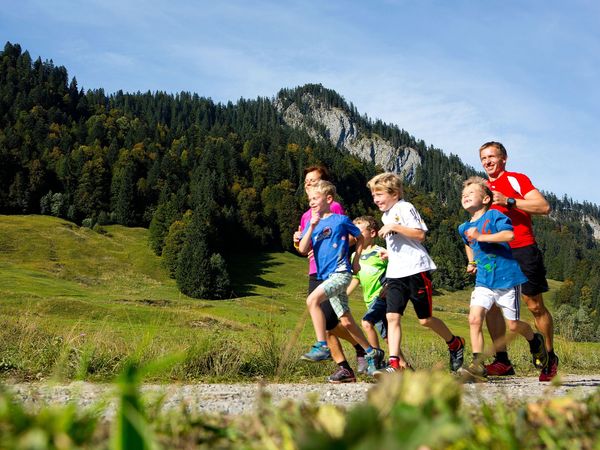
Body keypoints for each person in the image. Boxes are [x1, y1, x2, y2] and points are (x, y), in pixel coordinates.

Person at [367, 173, 465, 377]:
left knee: (425, 320)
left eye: (379, 194)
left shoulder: (405, 207)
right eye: (373, 195)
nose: (375, 199)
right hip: (395, 273)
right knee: (392, 316)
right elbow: (400, 242)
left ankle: (455, 343)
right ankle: (394, 364)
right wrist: (389, 252)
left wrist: (394, 226)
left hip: (416, 269)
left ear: (393, 193)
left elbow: (420, 235)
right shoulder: (386, 215)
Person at [457, 176, 549, 381]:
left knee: (514, 326)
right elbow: (468, 242)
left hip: (507, 279)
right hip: (484, 281)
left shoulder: (495, 217)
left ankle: (535, 341)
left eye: (471, 193)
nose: (465, 196)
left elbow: (509, 235)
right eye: (463, 194)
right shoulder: (464, 227)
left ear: (486, 199)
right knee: (474, 318)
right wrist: (471, 262)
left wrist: (482, 236)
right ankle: (477, 364)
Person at [479, 141, 557, 381]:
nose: (487, 161)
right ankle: (502, 361)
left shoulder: (516, 179)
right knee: (490, 305)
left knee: (534, 305)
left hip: (522, 248)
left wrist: (509, 201)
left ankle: (549, 357)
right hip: (494, 253)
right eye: (483, 158)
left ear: (504, 159)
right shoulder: (481, 188)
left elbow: (544, 207)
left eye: (492, 156)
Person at [297, 180, 384, 374]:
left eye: (316, 198)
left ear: (329, 199)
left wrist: (356, 260)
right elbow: (303, 249)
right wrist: (310, 227)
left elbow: (360, 237)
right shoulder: (313, 224)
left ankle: (322, 346)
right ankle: (372, 353)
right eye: (309, 199)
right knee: (345, 321)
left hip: (341, 273)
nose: (311, 202)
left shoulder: (341, 220)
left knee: (312, 300)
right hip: (325, 276)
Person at [346, 216, 389, 353]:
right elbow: (356, 278)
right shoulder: (354, 256)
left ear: (372, 233)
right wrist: (344, 295)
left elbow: (394, 271)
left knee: (366, 323)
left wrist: (388, 287)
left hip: (382, 298)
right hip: (369, 300)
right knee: (387, 336)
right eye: (353, 232)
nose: (356, 235)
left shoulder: (380, 252)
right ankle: (403, 366)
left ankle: (376, 357)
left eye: (359, 231)